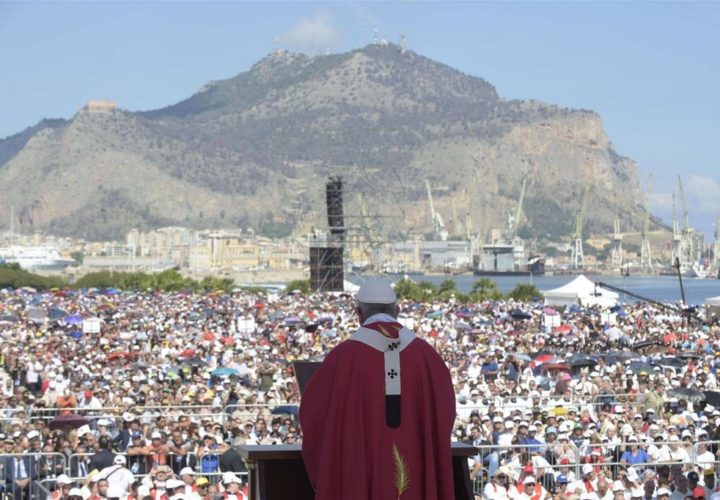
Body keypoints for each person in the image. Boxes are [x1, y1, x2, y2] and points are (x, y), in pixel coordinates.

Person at [300, 279, 456, 500]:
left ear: (358, 313)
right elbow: (445, 412)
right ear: (398, 310)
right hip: (418, 473)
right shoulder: (427, 356)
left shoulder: (342, 358)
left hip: (360, 475)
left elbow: (313, 415)